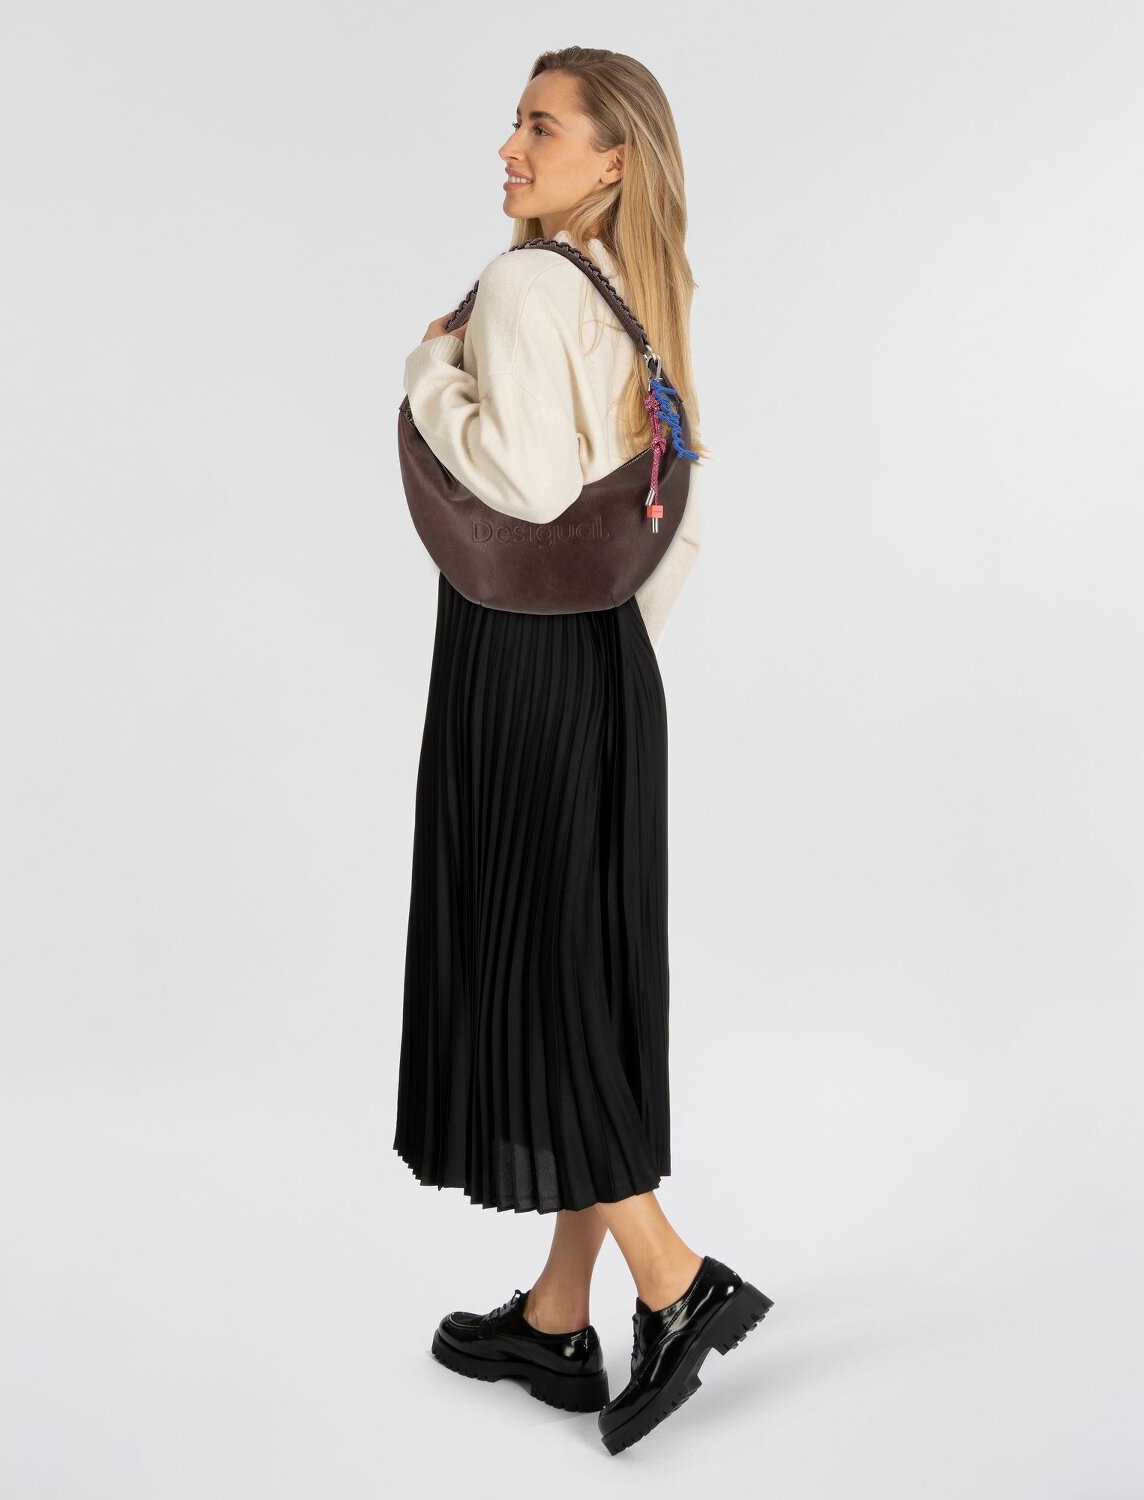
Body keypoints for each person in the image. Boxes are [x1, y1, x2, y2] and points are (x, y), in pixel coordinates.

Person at [393, 47, 771, 1456]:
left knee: (534, 974)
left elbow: (526, 482)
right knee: (582, 973)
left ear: (611, 161)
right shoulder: (636, 297)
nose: (510, 147)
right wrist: (612, 659)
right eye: (516, 123)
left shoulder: (526, 289)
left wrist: (428, 372)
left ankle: (675, 1281)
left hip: (522, 665)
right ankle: (558, 1318)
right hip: (609, 662)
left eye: (540, 127)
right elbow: (669, 519)